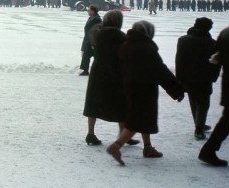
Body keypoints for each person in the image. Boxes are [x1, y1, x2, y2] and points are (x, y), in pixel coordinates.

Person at [106, 21, 185, 165]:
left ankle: (148, 147)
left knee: (143, 118)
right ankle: (116, 146)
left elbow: (116, 67)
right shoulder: (146, 48)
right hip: (144, 89)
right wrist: (176, 89)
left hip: (130, 87)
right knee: (137, 120)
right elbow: (160, 70)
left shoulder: (125, 45)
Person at [83, 10, 138, 147]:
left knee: (93, 102)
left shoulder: (96, 33)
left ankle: (90, 133)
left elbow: (90, 50)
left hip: (97, 69)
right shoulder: (120, 36)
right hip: (115, 71)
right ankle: (122, 134)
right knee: (121, 103)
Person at [199, 6, 229, 166]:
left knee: (228, 119)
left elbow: (215, 56)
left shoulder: (226, 33)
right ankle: (208, 150)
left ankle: (208, 150)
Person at [175, 17, 218, 140]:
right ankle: (199, 128)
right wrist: (213, 77)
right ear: (208, 28)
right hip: (205, 78)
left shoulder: (183, 40)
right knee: (204, 103)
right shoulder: (212, 43)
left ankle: (199, 125)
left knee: (193, 100)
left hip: (188, 77)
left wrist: (179, 79)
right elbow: (216, 63)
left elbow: (179, 61)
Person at [79, 5, 101, 76]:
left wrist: (93, 42)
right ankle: (86, 70)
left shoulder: (97, 19)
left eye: (89, 10)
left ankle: (98, 70)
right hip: (88, 40)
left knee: (96, 56)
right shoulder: (91, 18)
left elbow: (96, 31)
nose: (88, 11)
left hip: (93, 41)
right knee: (86, 55)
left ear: (93, 11)